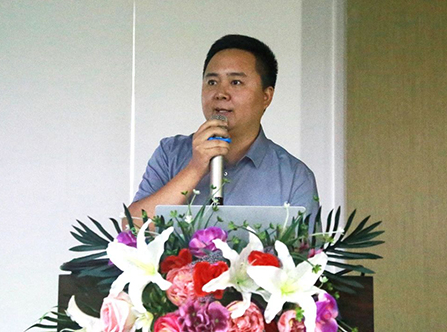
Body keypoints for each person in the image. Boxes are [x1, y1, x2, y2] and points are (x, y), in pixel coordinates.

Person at [127, 34, 318, 225]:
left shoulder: (294, 176)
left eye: (236, 82)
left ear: (266, 96)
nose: (220, 93)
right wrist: (195, 167)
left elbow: (305, 244)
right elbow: (131, 227)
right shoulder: (170, 153)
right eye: (212, 82)